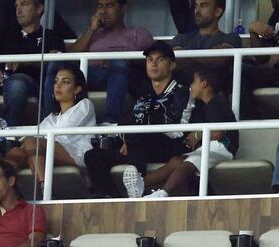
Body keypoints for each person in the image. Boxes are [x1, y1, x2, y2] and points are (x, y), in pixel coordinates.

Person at [84, 41, 194, 198]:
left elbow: (176, 130)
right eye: (150, 59)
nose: (153, 64)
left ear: (172, 65)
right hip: (138, 147)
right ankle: (112, 198)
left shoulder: (182, 92)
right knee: (93, 155)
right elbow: (125, 121)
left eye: (160, 59)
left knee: (138, 137)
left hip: (171, 146)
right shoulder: (144, 95)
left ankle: (138, 187)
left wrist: (133, 136)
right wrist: (126, 139)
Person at [123, 67, 239, 198]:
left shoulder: (217, 103)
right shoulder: (207, 106)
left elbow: (218, 134)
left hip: (224, 148)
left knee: (187, 163)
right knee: (175, 161)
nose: (191, 86)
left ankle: (163, 193)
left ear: (204, 83)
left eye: (194, 82)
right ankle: (140, 184)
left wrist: (197, 135)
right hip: (211, 147)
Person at [44, 0, 154, 123]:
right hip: (87, 75)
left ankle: (111, 122)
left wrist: (119, 58)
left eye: (110, 5)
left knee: (117, 63)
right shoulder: (91, 34)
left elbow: (152, 60)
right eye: (100, 6)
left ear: (123, 10)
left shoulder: (137, 33)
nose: (103, 11)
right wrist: (91, 29)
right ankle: (49, 119)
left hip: (119, 76)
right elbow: (70, 58)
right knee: (55, 62)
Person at [4, 65, 96, 192]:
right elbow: (36, 136)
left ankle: (45, 189)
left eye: (65, 82)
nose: (58, 86)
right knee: (15, 152)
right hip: (51, 151)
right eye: (56, 81)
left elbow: (63, 132)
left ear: (77, 89)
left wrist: (33, 141)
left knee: (31, 142)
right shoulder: (52, 117)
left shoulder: (85, 105)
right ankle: (0, 189)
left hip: (77, 154)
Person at [0, 0, 65, 126]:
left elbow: (56, 63)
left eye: (24, 4)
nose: (18, 10)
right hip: (3, 81)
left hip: (34, 85)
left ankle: (8, 137)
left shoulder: (51, 36)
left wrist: (25, 62)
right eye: (16, 6)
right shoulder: (8, 36)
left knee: (17, 82)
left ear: (39, 9)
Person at [240, 0, 279, 119]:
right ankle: (250, 123)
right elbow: (261, 58)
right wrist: (253, 31)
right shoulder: (276, 15)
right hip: (273, 71)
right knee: (239, 70)